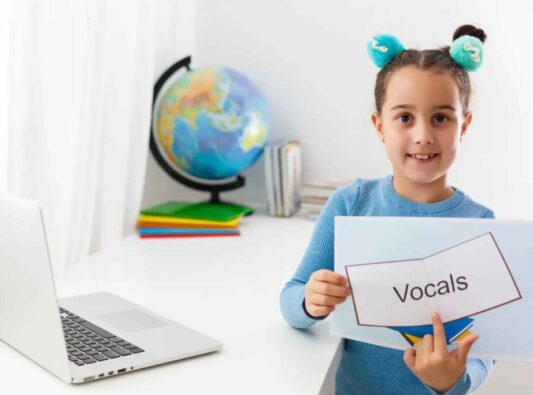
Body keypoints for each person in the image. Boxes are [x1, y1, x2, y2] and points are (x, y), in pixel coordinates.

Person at [280, 24, 495, 395]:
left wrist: (455, 382)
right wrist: (309, 301)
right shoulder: (350, 204)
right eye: (404, 118)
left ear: (465, 126)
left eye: (441, 118)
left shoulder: (480, 225)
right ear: (380, 126)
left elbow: (488, 345)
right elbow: (292, 297)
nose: (423, 134)